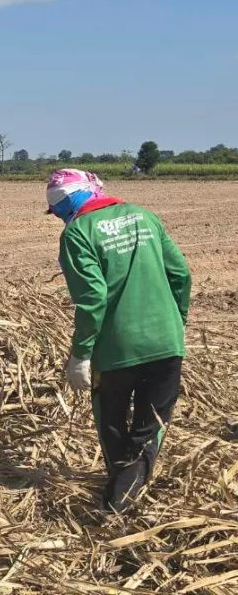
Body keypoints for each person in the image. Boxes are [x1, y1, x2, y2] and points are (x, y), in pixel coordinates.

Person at [47, 168, 191, 514]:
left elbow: (93, 297)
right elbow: (181, 274)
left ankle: (116, 506)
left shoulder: (77, 234)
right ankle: (127, 493)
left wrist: (80, 354)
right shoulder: (145, 216)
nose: (61, 219)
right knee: (149, 426)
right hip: (166, 343)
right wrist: (176, 322)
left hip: (115, 350)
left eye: (59, 212)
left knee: (111, 424)